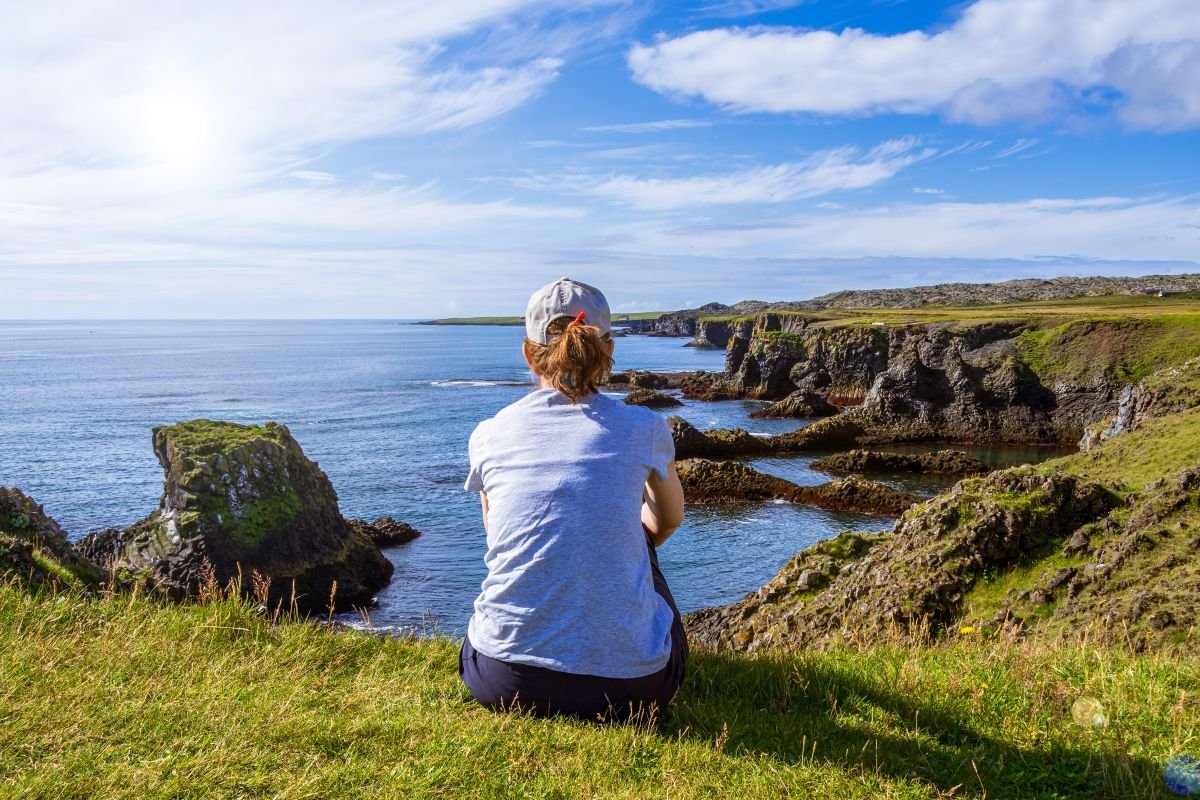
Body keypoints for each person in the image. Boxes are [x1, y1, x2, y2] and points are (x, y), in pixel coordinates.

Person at [458, 277, 688, 722]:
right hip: (633, 692)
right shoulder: (645, 428)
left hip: (503, 680)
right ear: (609, 350)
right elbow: (669, 520)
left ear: (528, 352)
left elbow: (497, 538)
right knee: (641, 538)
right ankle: (617, 644)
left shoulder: (488, 434)